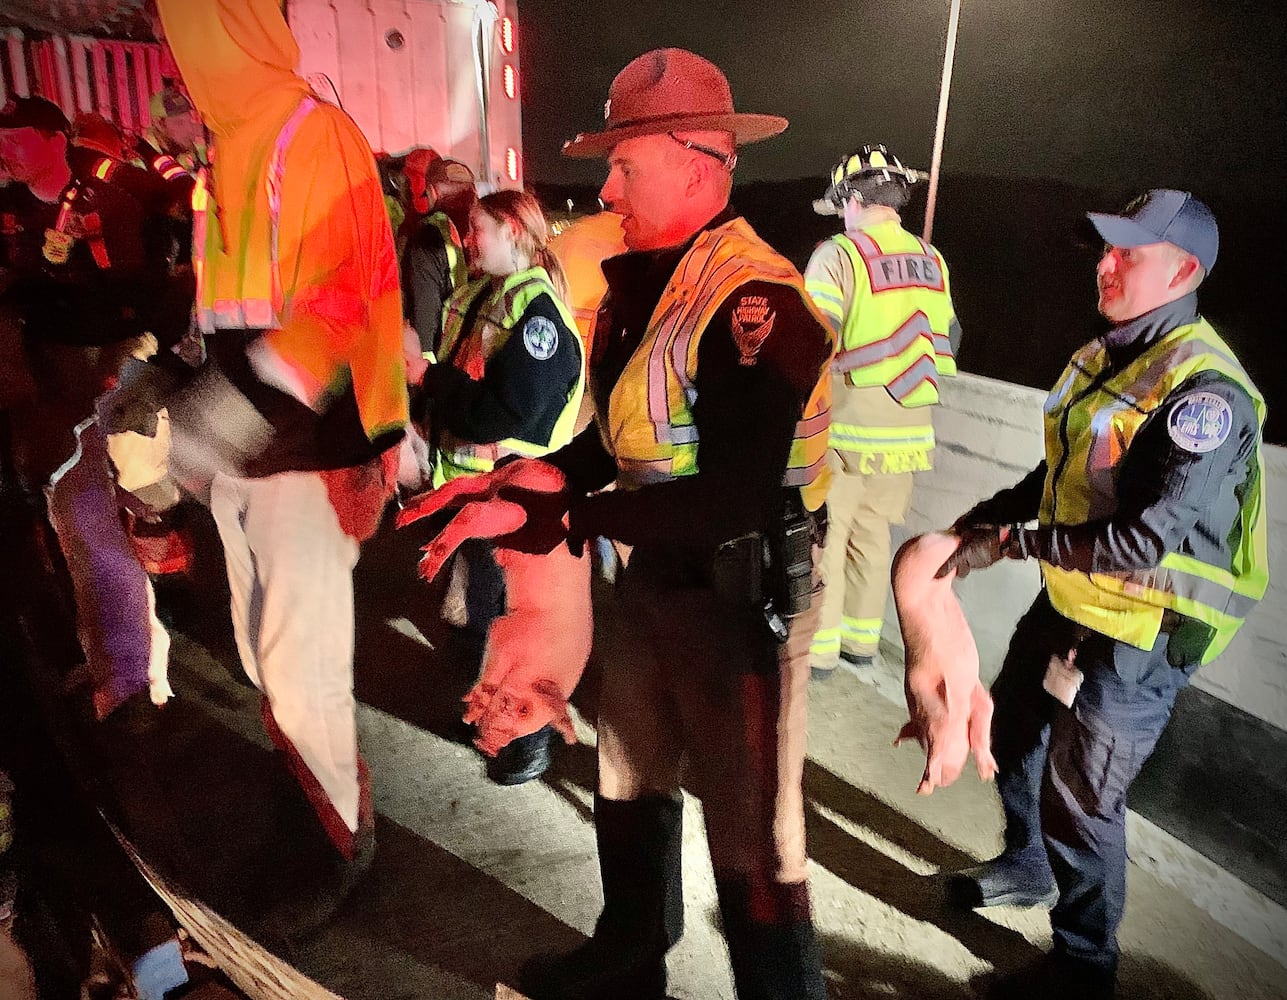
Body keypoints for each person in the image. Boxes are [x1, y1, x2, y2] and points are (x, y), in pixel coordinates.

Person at [516, 49, 834, 1000]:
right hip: (654, 572)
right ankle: (629, 950)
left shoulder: (756, 300)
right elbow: (619, 441)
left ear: (699, 166)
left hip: (740, 600)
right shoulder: (646, 280)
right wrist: (535, 480)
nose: (605, 187)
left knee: (752, 830)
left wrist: (575, 511)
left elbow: (736, 492)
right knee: (628, 764)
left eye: (625, 164)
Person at [938, 190, 1267, 999]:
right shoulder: (1100, 357)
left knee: (1082, 802)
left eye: (1128, 253)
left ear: (1183, 271)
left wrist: (1010, 544)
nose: (1104, 263)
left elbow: (1142, 541)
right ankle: (1026, 866)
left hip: (1148, 627)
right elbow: (1060, 482)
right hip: (1077, 599)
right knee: (1013, 738)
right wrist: (988, 516)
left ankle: (1084, 967)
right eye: (1104, 248)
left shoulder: (1205, 395)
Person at [155, 0, 408, 927]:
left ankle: (338, 848)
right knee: (270, 657)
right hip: (252, 455)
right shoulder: (232, 148)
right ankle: (320, 815)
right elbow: (228, 310)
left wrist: (211, 421)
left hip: (303, 453)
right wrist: (183, 383)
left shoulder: (314, 133)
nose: (176, 65)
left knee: (301, 668)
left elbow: (336, 303)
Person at [0, 95, 178, 720]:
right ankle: (117, 665)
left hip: (105, 377)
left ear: (54, 140)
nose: (6, 151)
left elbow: (138, 295)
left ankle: (129, 675)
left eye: (18, 138)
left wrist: (116, 363)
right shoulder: (10, 211)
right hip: (42, 388)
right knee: (79, 532)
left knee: (106, 528)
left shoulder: (105, 204)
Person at [419, 188, 585, 784]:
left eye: (479, 229)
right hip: (480, 490)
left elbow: (502, 414)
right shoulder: (491, 292)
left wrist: (431, 380)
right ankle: (493, 724)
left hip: (516, 507)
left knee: (514, 632)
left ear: (514, 230)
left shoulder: (536, 316)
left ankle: (522, 746)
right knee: (488, 623)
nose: (468, 241)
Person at [805, 144, 959, 679]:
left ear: (851, 197)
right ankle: (860, 645)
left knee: (825, 539)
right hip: (909, 434)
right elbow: (951, 335)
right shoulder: (933, 260)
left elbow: (810, 343)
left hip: (845, 429)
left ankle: (819, 654)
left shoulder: (838, 255)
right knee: (872, 538)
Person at [401, 157, 474, 363]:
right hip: (473, 356)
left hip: (440, 357)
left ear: (432, 192)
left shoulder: (428, 236)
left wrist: (423, 367)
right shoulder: (485, 233)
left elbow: (425, 308)